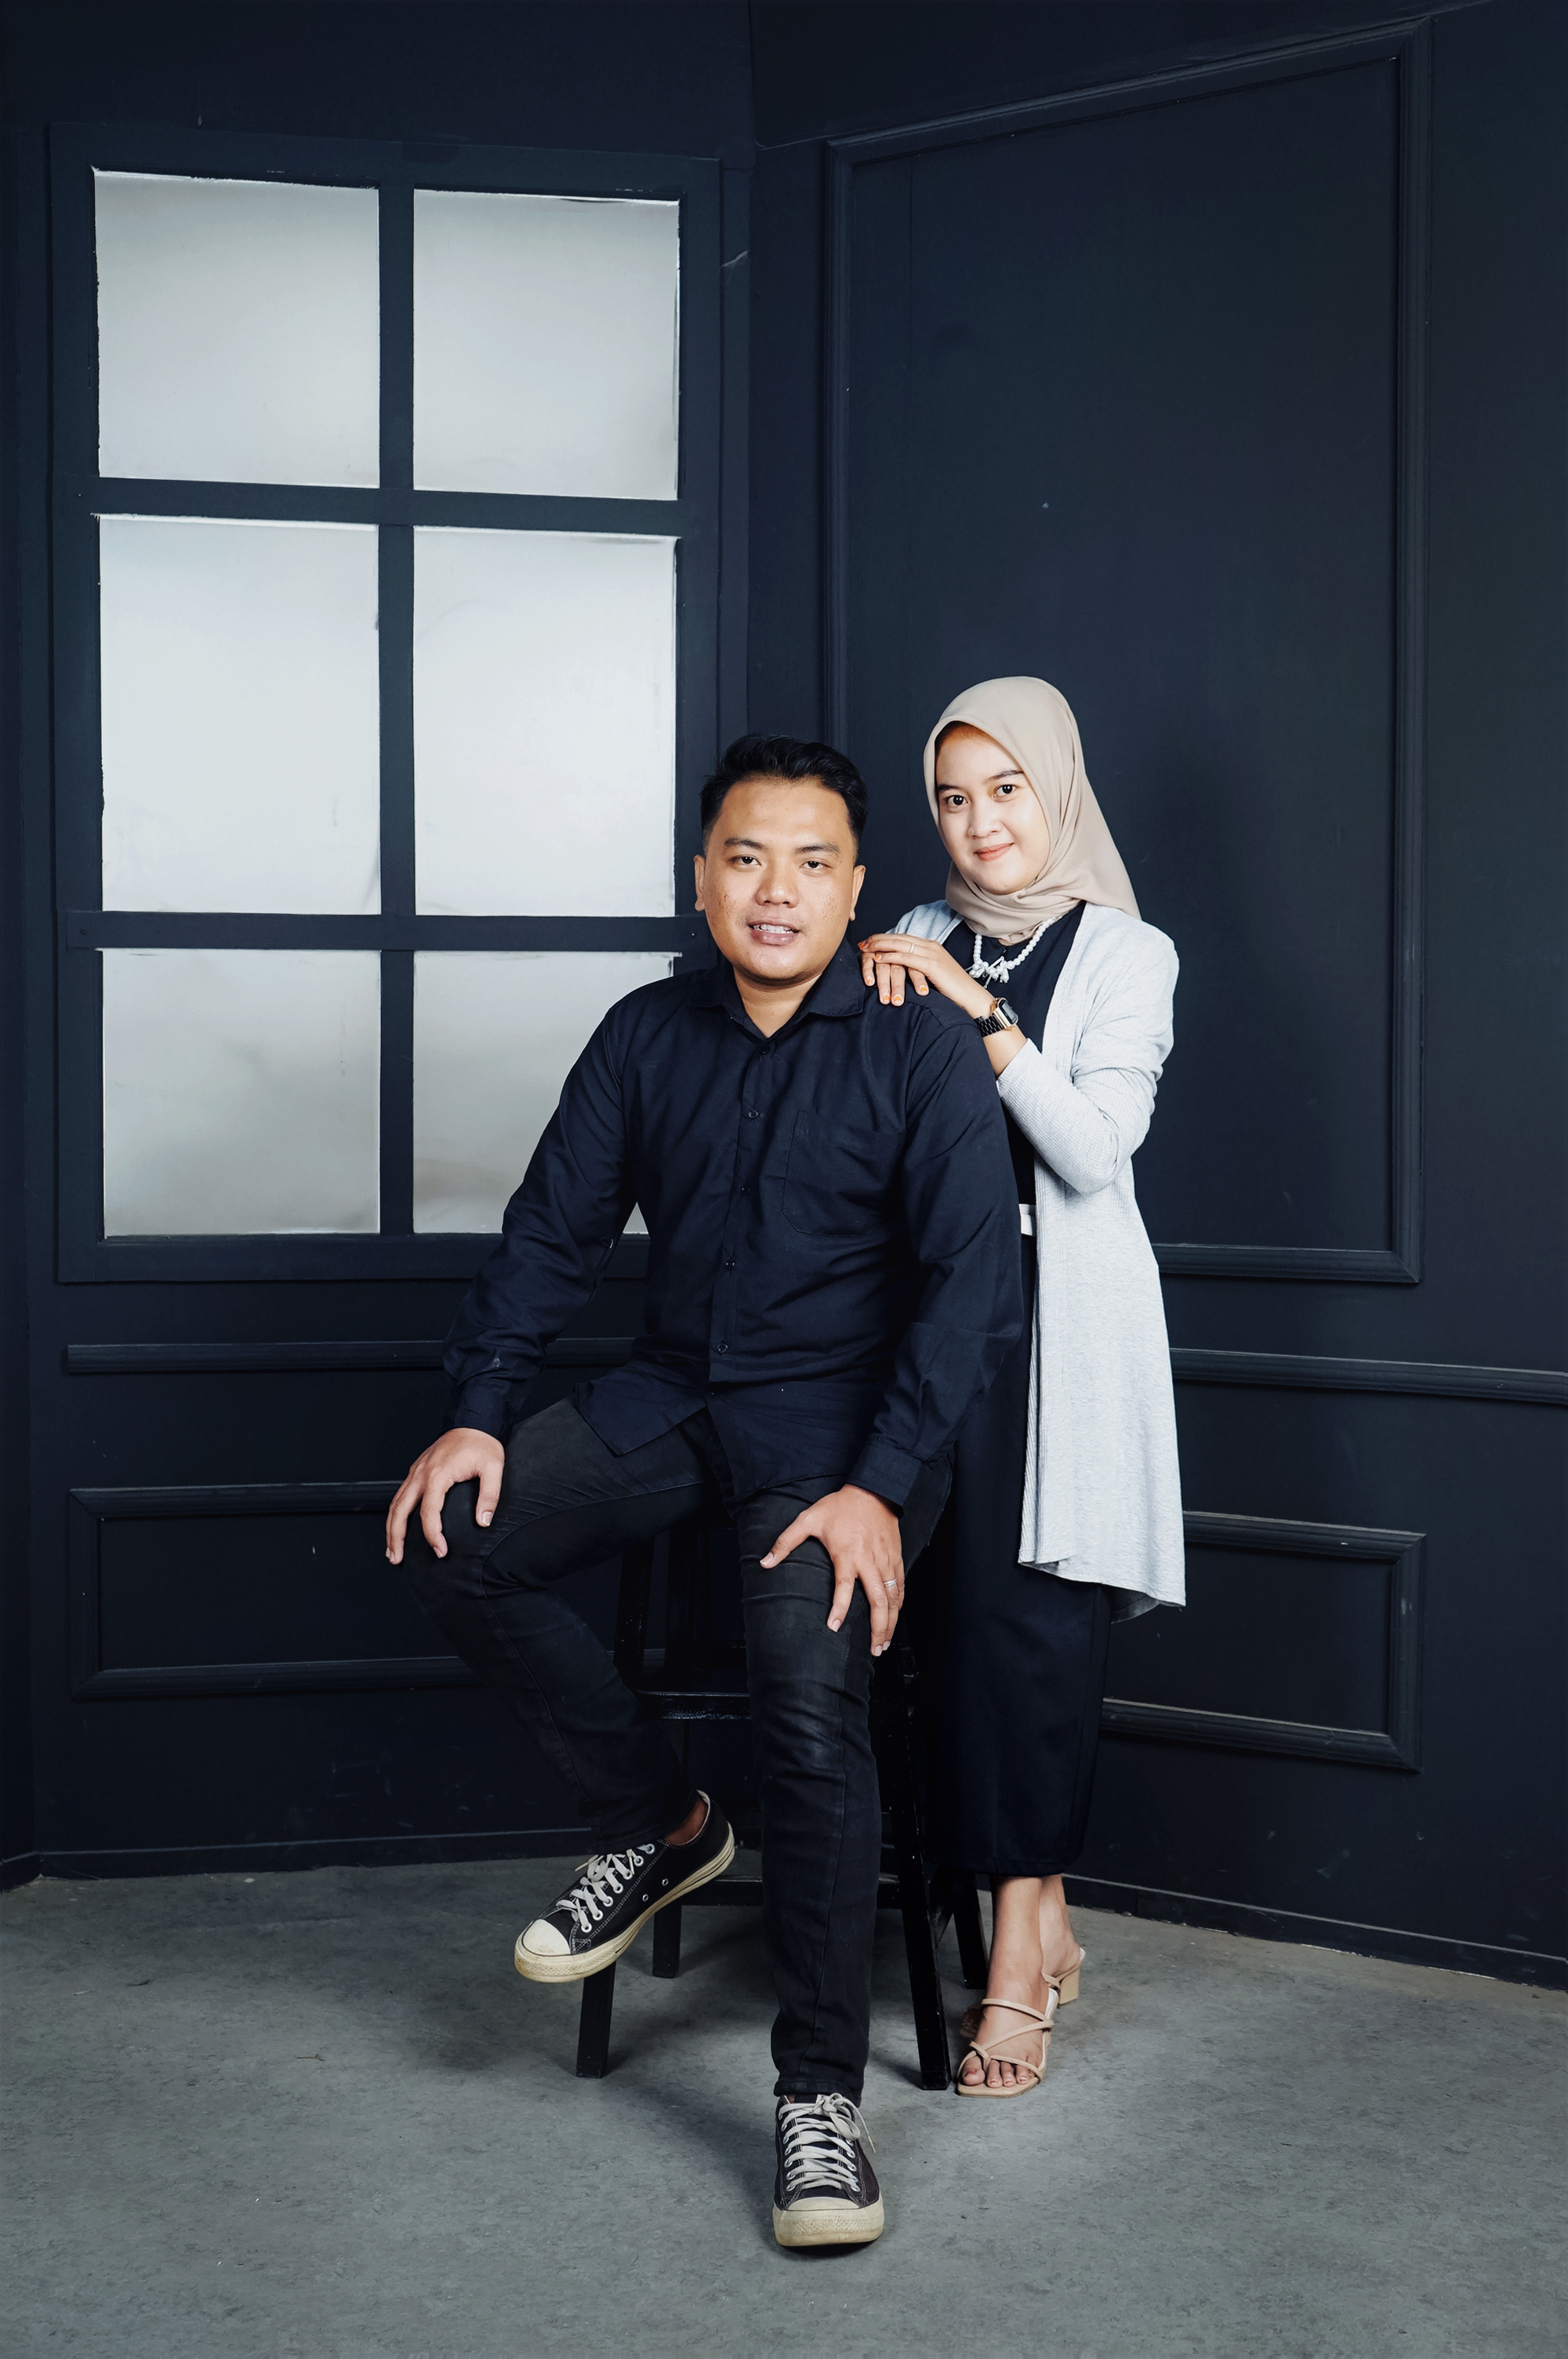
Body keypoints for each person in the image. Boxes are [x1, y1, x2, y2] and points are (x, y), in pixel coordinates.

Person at [386, 734, 1022, 2244]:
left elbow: (971, 1289)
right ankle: (666, 1821)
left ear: (857, 890)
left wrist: (881, 1488)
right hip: (675, 1398)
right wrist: (479, 1415)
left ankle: (818, 2101)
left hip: (842, 1440)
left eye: (811, 864)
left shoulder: (917, 1043)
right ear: (701, 879)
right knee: (451, 1542)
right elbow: (551, 1232)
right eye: (746, 858)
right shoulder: (644, 1032)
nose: (775, 891)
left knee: (806, 1705)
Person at [858, 677, 1183, 2099]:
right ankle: (1038, 1921)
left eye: (1006, 790)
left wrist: (977, 1012)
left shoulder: (1129, 952)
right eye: (952, 796)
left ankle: (1011, 1968)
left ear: (1056, 790)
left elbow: (1096, 1151)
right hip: (932, 1313)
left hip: (1061, 1326)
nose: (981, 822)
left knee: (1031, 1631)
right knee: (939, 1626)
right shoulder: (915, 929)